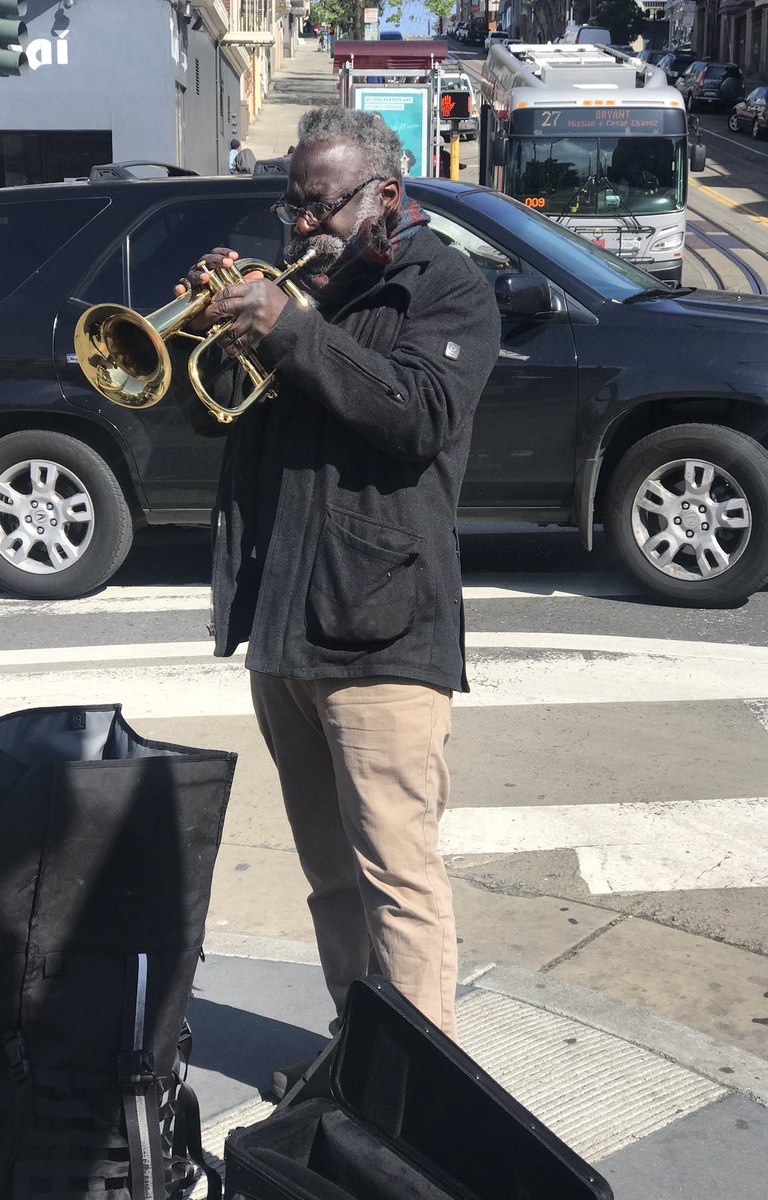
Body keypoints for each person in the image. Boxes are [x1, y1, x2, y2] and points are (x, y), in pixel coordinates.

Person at [179, 106, 501, 1096]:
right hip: (284, 626)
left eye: (323, 204)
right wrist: (218, 335)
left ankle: (417, 1098)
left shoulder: (442, 287)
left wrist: (295, 334)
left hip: (382, 628)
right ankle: (355, 1061)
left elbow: (415, 419)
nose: (304, 221)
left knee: (397, 882)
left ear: (385, 199)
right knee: (329, 879)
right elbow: (209, 416)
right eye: (295, 202)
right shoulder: (293, 293)